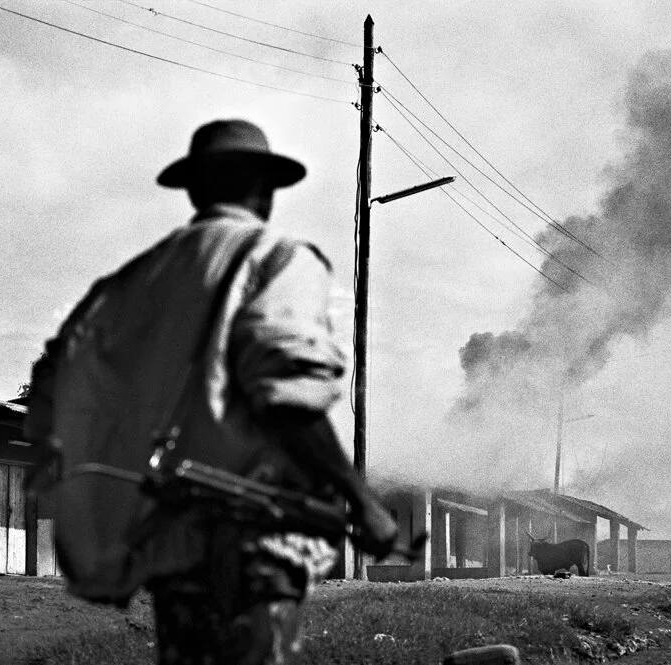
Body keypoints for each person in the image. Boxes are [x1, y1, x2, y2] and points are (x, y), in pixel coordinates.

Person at [24, 119, 396, 664]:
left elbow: (56, 385)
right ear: (265, 188)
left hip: (165, 539)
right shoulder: (276, 258)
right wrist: (362, 502)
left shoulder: (137, 277)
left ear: (195, 190)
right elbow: (287, 401)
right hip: (248, 542)